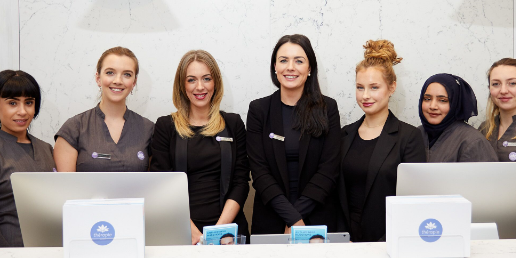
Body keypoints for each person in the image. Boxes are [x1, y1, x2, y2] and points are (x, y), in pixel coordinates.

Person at [150, 50, 250, 245]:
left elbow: (241, 182)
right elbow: (162, 186)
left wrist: (219, 231)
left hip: (228, 233)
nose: (200, 87)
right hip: (181, 231)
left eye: (206, 78)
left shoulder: (233, 123)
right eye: (191, 80)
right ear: (182, 85)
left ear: (215, 82)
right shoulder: (165, 126)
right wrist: (192, 232)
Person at [247, 34, 341, 234]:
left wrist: (295, 219)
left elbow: (328, 170)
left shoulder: (328, 108)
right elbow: (260, 173)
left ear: (310, 68)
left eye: (299, 61)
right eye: (283, 60)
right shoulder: (258, 110)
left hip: (317, 218)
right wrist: (292, 218)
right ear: (275, 66)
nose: (290, 67)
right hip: (271, 219)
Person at [338, 40, 428, 242]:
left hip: (389, 241)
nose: (365, 95)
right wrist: (342, 239)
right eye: (360, 87)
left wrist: (385, 243)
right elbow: (336, 195)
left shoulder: (409, 137)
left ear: (392, 87)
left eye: (374, 87)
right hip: (345, 242)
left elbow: (413, 201)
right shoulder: (344, 134)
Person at [0, 70, 56, 247]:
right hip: (9, 253)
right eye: (12, 103)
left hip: (51, 250)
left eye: (28, 102)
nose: (22, 111)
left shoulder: (46, 149)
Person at [54, 47, 154, 172]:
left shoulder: (148, 129)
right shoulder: (74, 128)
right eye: (110, 72)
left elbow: (154, 181)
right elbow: (65, 183)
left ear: (134, 82)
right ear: (98, 78)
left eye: (127, 74)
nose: (118, 81)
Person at [419, 73, 498, 162]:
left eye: (442, 100)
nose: (433, 106)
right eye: (427, 99)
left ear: (455, 104)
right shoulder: (416, 134)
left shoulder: (472, 141)